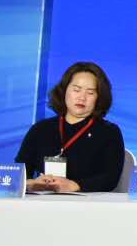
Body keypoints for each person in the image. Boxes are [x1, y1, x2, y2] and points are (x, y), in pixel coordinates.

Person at [14, 62, 124, 193]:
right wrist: (30, 183)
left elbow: (110, 178)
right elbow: (20, 171)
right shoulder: (41, 129)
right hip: (43, 200)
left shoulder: (109, 132)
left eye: (90, 93)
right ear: (64, 91)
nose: (82, 97)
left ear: (99, 98)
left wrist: (75, 186)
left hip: (89, 202)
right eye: (76, 90)